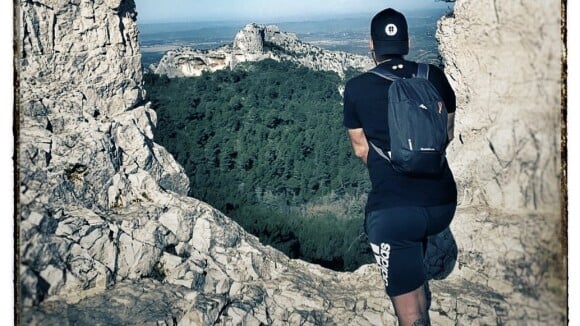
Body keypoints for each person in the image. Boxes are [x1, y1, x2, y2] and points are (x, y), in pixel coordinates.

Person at [343, 8, 457, 326]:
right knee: (411, 233)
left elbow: (361, 149)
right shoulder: (432, 75)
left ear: (371, 45)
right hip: (442, 203)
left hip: (395, 211)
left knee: (411, 316)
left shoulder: (356, 88)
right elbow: (446, 133)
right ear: (407, 41)